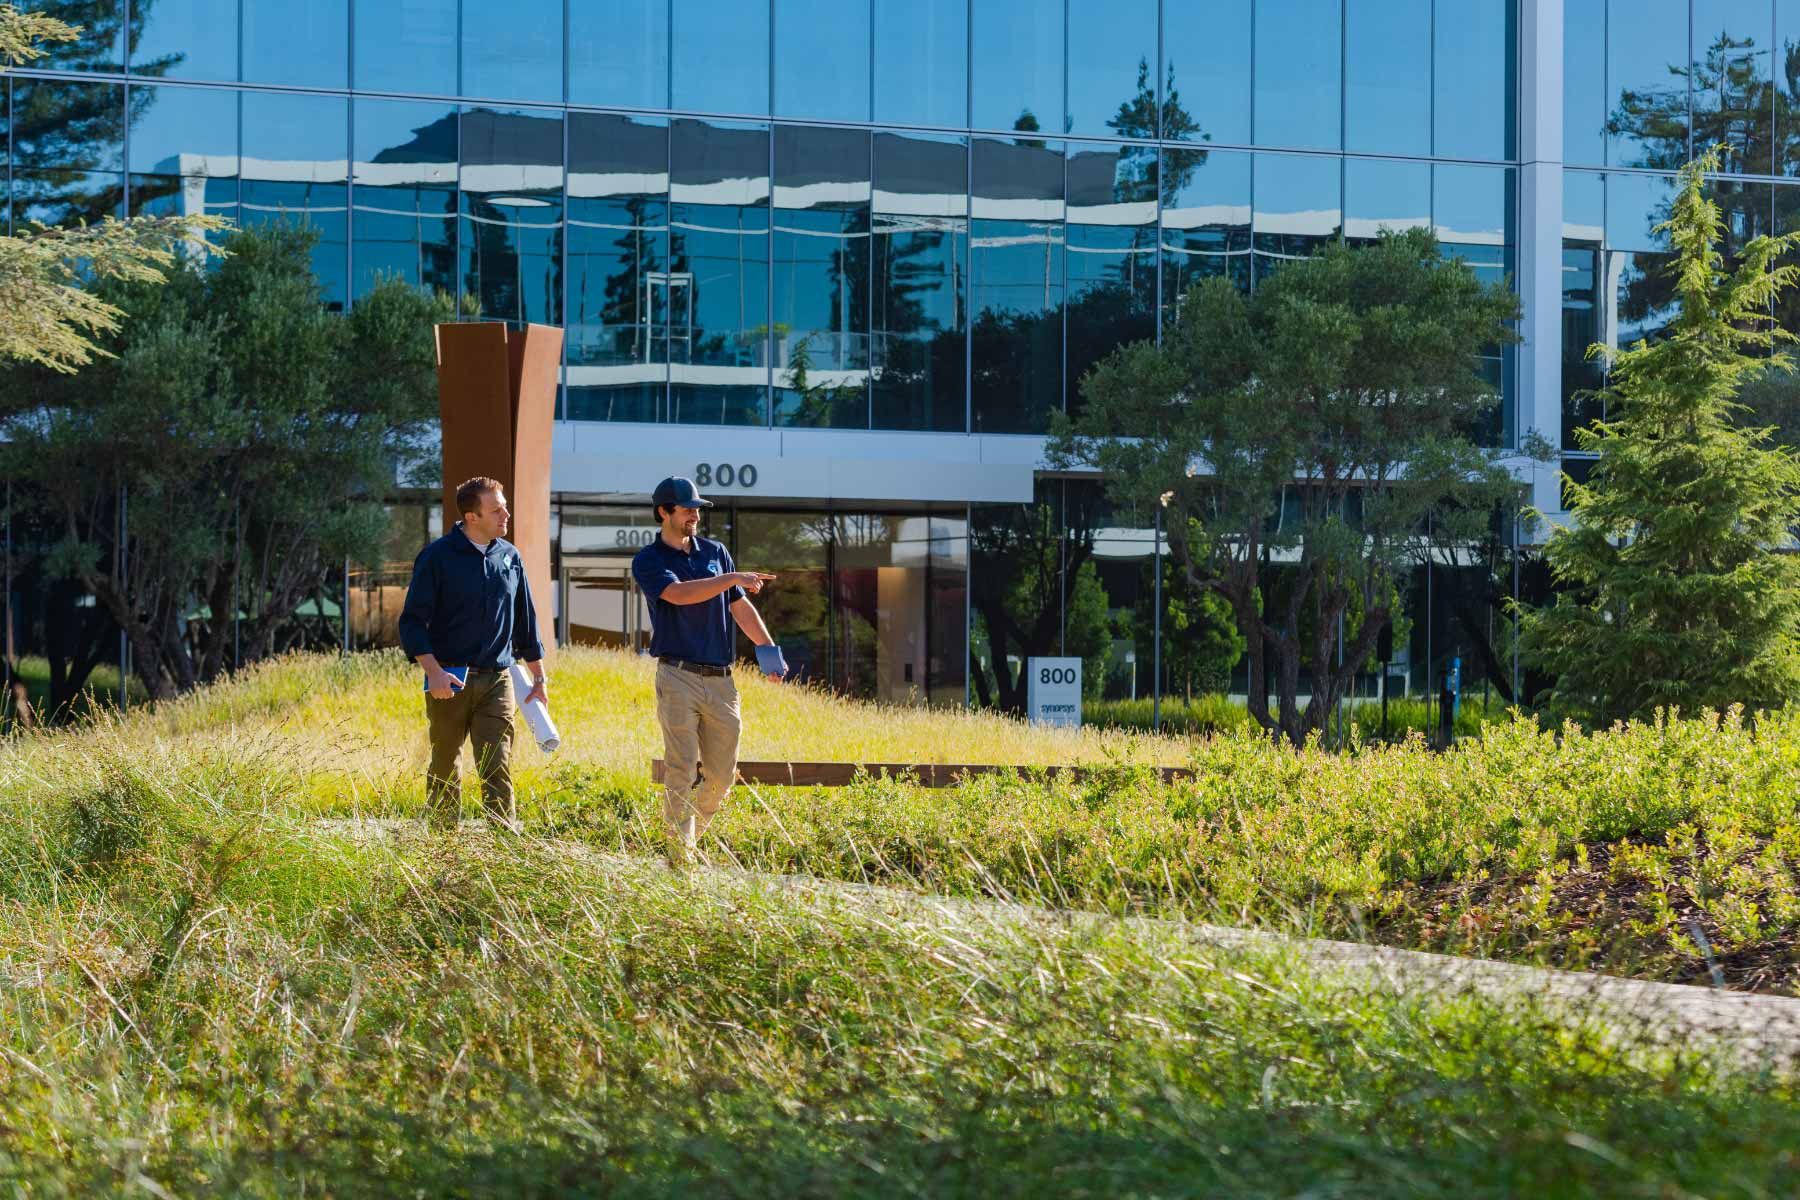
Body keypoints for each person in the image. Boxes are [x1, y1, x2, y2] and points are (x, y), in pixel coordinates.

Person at [632, 475, 784, 864]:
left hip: (722, 681)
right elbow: (680, 596)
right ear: (664, 512)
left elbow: (739, 607)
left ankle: (686, 842)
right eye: (687, 510)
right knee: (681, 768)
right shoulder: (649, 561)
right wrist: (732, 578)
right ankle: (680, 857)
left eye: (697, 509)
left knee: (721, 776)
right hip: (677, 675)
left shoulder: (715, 551)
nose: (695, 516)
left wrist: (767, 648)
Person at [397, 476, 548, 833]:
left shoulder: (510, 557)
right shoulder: (436, 557)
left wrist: (539, 677)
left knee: (498, 765)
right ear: (471, 516)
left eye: (504, 507)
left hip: (499, 680)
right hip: (449, 678)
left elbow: (525, 620)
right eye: (496, 510)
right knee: (445, 765)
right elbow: (413, 622)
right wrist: (432, 672)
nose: (506, 514)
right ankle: (443, 843)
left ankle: (502, 846)